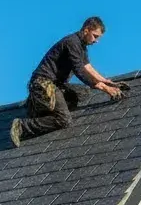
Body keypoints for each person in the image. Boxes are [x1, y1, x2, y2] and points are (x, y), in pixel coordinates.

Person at [10, 17, 125, 147]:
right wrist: (106, 89)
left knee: (83, 92)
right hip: (43, 84)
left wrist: (107, 82)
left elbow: (87, 67)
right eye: (95, 36)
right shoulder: (72, 43)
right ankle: (23, 126)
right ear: (86, 30)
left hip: (56, 85)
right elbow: (80, 71)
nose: (96, 41)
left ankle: (44, 108)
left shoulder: (81, 47)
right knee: (64, 120)